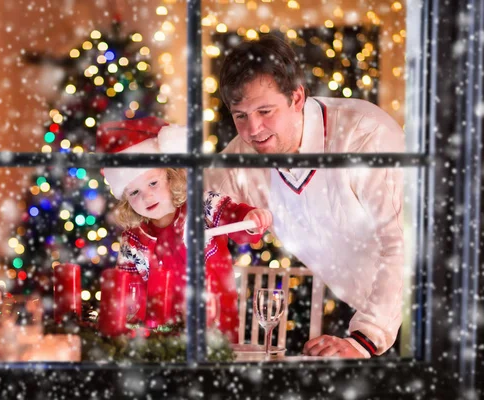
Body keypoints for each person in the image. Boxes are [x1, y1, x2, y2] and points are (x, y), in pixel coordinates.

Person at [205, 34, 405, 358]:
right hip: (360, 306)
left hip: (428, 309)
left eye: (265, 111)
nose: (254, 129)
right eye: (240, 115)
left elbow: (401, 244)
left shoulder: (365, 136)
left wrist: (364, 339)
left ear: (297, 98)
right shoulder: (246, 154)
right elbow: (194, 205)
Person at [97, 116, 272, 343]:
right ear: (125, 200)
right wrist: (131, 331)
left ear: (171, 177)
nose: (147, 196)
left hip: (214, 324)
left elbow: (236, 221)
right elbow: (129, 291)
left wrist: (250, 218)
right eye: (134, 192)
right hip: (161, 335)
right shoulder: (133, 240)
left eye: (153, 183)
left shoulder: (203, 206)